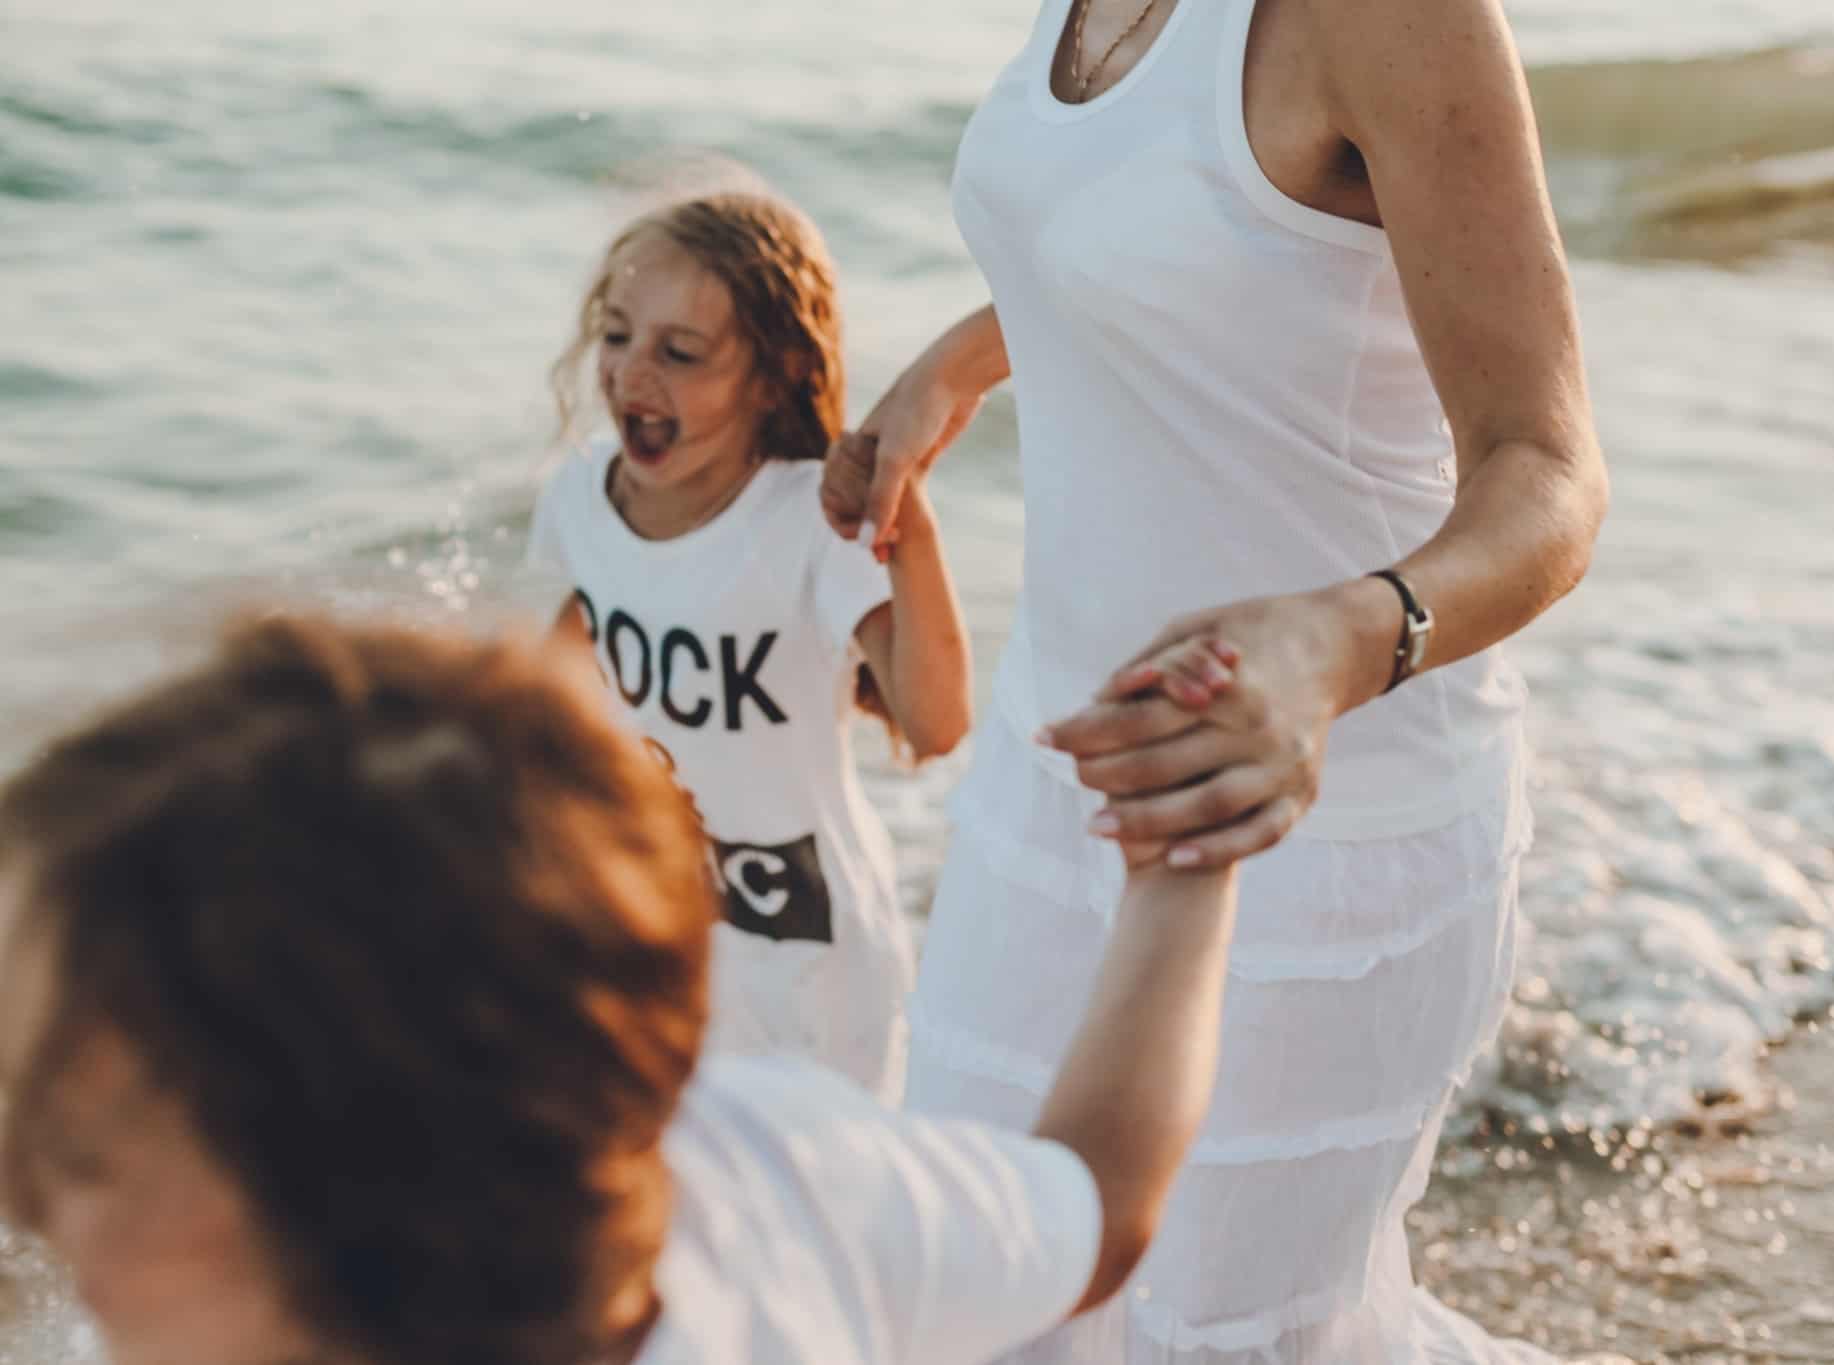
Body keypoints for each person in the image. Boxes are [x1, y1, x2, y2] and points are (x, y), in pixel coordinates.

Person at [835, 0, 1610, 1358]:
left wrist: (1341, 640)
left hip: (1313, 827)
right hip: (1052, 774)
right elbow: (1151, 226)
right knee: (967, 1292)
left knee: (1218, 1338)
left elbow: (1548, 474)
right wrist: (949, 370)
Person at [0, 612, 1242, 1365]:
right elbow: (1099, 1201)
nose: (21, 1199)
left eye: (65, 1142)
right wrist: (1186, 858)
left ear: (351, 1216)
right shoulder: (768, 1170)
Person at [528, 189, 972, 1096]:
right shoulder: (577, 501)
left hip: (809, 955)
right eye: (616, 337)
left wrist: (908, 525)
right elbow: (544, 710)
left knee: (816, 1217)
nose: (631, 376)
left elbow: (936, 724)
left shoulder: (809, 521)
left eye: (680, 353)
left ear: (770, 376)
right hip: (652, 922)